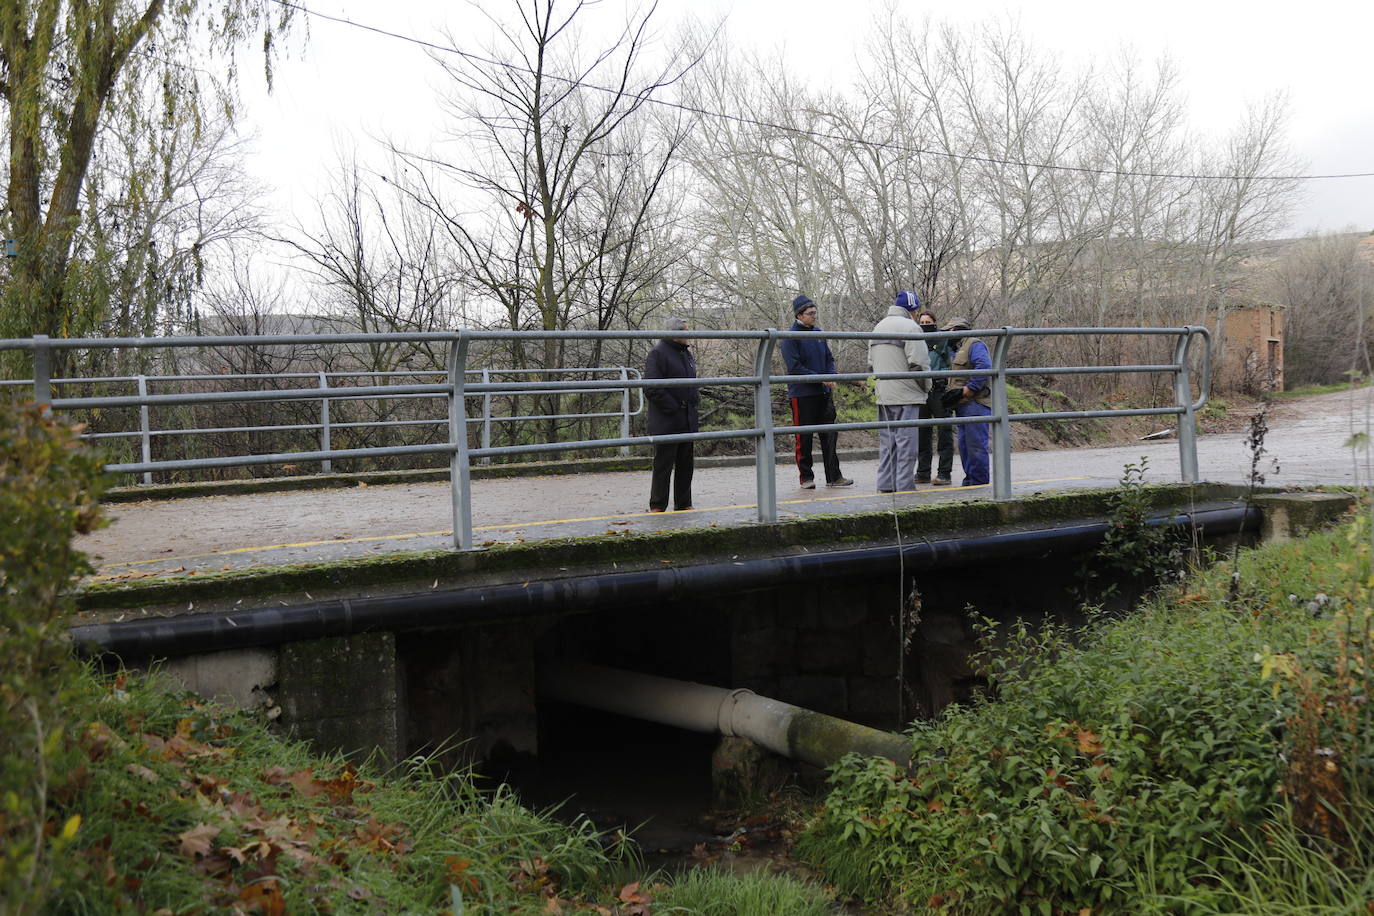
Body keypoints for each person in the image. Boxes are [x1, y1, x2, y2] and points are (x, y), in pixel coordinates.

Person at [780, 294, 853, 488]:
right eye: (810, 313)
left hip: (823, 393)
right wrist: (821, 378)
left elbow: (829, 359)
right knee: (803, 437)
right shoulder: (789, 337)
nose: (814, 316)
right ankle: (806, 477)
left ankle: (834, 476)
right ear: (799, 315)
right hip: (802, 394)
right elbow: (794, 367)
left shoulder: (818, 333)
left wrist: (831, 375)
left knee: (829, 435)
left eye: (815, 312)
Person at [868, 291, 931, 492]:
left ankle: (885, 483)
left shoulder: (877, 327)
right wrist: (927, 387)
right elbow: (919, 364)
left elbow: (870, 365)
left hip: (884, 395)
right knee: (907, 444)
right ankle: (904, 485)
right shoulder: (912, 328)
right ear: (912, 311)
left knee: (887, 444)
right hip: (907, 394)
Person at [643, 316, 700, 512]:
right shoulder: (658, 354)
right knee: (663, 464)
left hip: (687, 418)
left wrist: (693, 401)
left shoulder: (687, 354)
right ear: (675, 334)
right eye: (685, 331)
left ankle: (684, 503)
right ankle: (658, 505)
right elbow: (651, 387)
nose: (688, 334)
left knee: (686, 463)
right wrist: (674, 407)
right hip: (667, 419)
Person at [939, 316, 993, 487]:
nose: (947, 334)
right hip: (963, 405)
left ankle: (978, 482)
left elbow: (984, 367)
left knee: (975, 445)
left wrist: (970, 389)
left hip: (975, 403)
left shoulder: (974, 344)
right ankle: (970, 480)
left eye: (949, 330)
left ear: (956, 330)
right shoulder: (957, 348)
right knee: (965, 446)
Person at [915, 308, 955, 486]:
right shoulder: (915, 339)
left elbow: (950, 362)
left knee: (944, 432)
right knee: (922, 433)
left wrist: (942, 375)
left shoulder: (943, 339)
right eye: (922, 323)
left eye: (928, 323)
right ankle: (923, 473)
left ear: (935, 322)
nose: (925, 326)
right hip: (921, 391)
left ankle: (944, 473)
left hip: (939, 389)